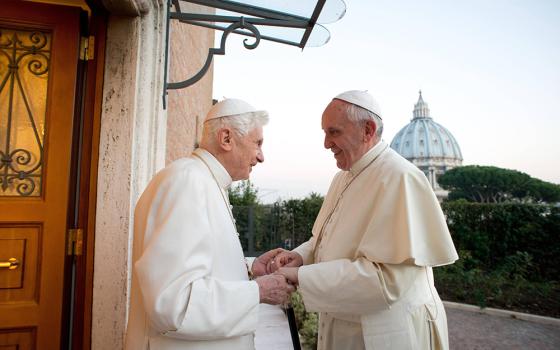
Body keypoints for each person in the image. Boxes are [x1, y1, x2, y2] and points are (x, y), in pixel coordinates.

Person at [268, 90, 459, 350]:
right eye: (324, 133)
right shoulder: (344, 176)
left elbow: (386, 281)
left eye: (333, 132)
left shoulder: (400, 178)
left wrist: (300, 275)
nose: (326, 143)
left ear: (367, 130)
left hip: (386, 333)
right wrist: (301, 256)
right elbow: (324, 239)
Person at [125, 98, 295, 350]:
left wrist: (250, 270)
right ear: (226, 138)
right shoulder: (188, 182)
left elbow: (201, 266)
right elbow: (173, 303)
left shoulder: (204, 181)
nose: (261, 156)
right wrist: (257, 291)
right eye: (257, 143)